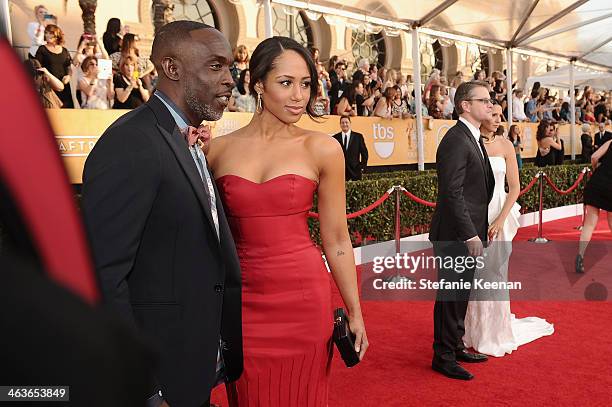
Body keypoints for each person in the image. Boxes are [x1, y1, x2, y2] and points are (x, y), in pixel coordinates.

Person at [81, 21, 243, 407]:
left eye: (230, 68)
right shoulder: (131, 142)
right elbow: (102, 276)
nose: (230, 80)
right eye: (216, 66)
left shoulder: (183, 137)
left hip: (194, 365)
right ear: (172, 69)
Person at [207, 36, 368, 406]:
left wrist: (355, 311)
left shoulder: (322, 148)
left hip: (302, 299)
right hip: (242, 304)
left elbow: (337, 239)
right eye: (286, 83)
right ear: (258, 84)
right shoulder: (216, 150)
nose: (299, 95)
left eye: (306, 84)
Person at [463, 103, 554, 356]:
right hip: (474, 217)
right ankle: (473, 330)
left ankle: (494, 332)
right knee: (474, 276)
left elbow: (514, 188)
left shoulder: (505, 145)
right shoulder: (470, 142)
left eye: (499, 116)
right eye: (492, 115)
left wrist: (501, 220)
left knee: (494, 275)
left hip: (499, 216)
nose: (496, 119)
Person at [429, 80, 495, 381]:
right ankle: (442, 356)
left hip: (466, 231)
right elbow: (452, 193)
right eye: (484, 100)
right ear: (465, 105)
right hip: (455, 234)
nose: (491, 105)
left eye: (491, 100)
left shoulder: (473, 138)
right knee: (450, 295)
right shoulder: (457, 140)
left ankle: (454, 345)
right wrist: (470, 234)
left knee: (460, 293)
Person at [576, 139, 612, 273]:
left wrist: (595, 168)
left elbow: (594, 156)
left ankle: (580, 256)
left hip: (596, 182)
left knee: (589, 224)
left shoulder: (611, 142)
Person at [35, 24, 73, 108]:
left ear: (57, 34)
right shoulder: (42, 49)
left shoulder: (64, 50)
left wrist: (68, 76)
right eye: (46, 33)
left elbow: (69, 67)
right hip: (50, 87)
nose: (47, 35)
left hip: (64, 87)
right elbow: (38, 68)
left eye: (50, 33)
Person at [333, 115, 369, 181]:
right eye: (342, 123)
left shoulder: (358, 137)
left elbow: (364, 153)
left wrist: (362, 167)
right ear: (340, 124)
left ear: (350, 123)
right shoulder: (335, 138)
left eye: (346, 122)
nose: (344, 124)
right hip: (341, 172)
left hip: (355, 171)